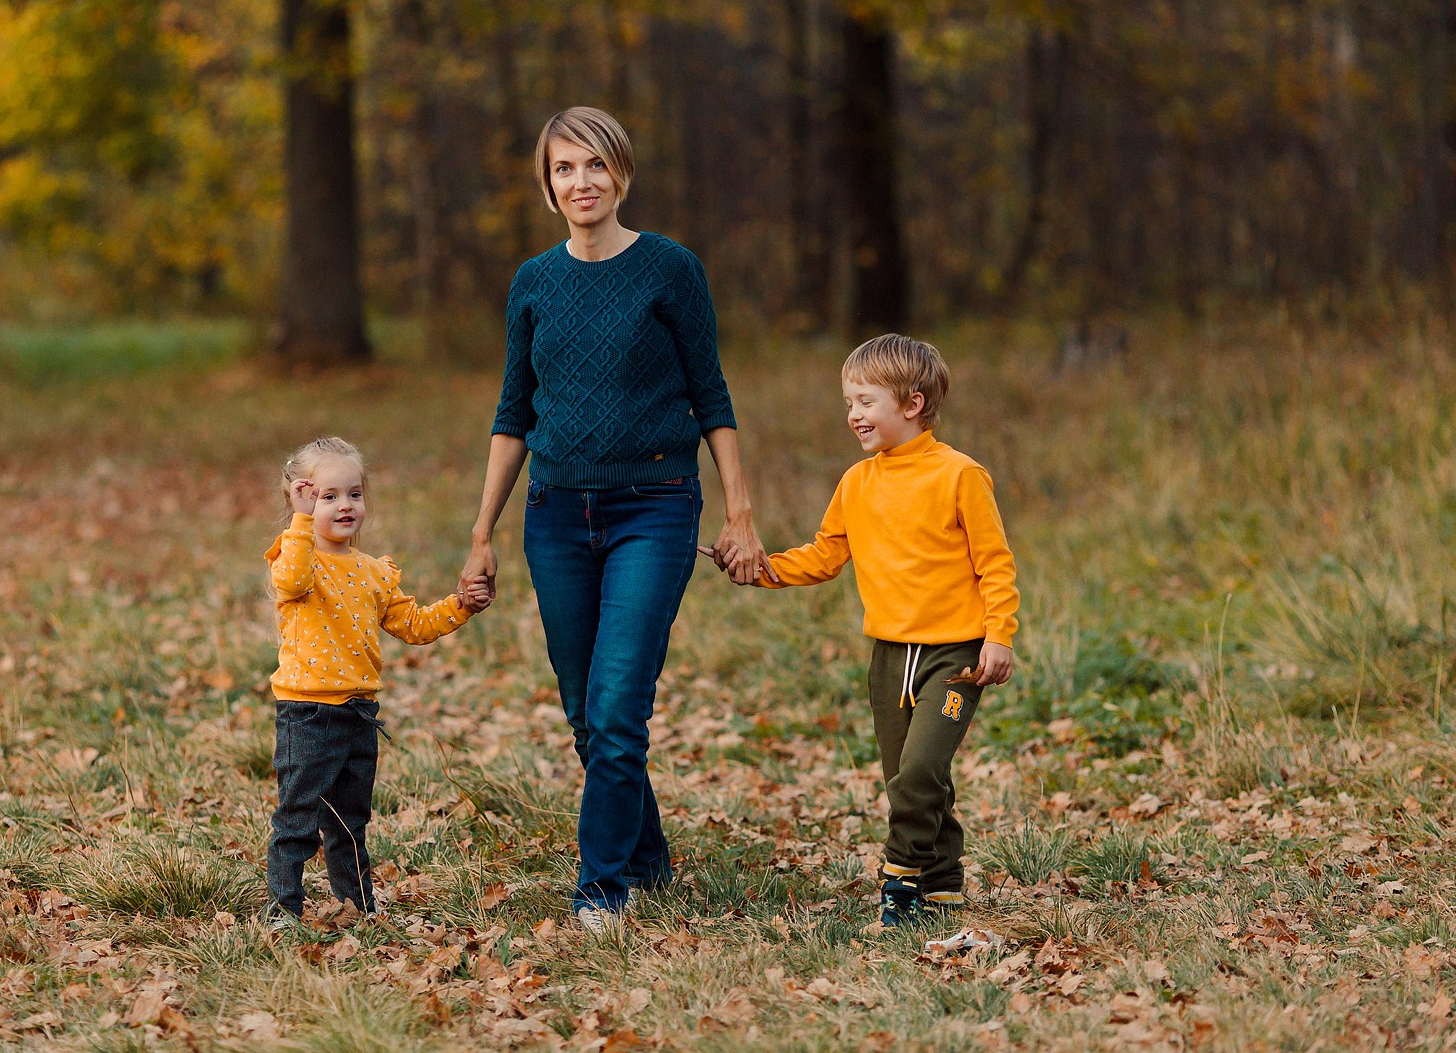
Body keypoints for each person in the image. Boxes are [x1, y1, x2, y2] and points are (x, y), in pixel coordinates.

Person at [460, 106, 774, 932]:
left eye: (595, 166)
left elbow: (712, 396)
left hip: (657, 506)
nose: (582, 182)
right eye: (565, 169)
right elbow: (512, 413)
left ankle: (601, 888)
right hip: (556, 515)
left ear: (621, 173)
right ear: (547, 184)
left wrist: (740, 512)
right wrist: (480, 534)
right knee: (583, 710)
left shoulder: (670, 270)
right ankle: (648, 857)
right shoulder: (533, 282)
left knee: (618, 702)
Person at [729, 334, 1019, 927]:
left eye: (864, 401)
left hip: (957, 655)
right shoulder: (856, 483)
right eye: (848, 402)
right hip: (889, 656)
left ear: (911, 404)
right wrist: (761, 571)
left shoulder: (961, 475)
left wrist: (999, 635)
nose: (853, 415)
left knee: (919, 770)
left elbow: (996, 563)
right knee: (908, 774)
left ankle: (900, 877)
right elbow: (824, 556)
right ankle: (943, 880)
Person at [263, 436, 491, 923]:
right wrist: (302, 520)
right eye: (328, 496)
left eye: (354, 493)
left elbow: (413, 625)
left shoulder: (373, 573)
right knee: (298, 817)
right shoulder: (296, 555)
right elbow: (291, 583)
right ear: (301, 498)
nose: (345, 505)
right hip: (306, 713)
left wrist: (462, 606)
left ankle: (358, 907)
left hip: (359, 714)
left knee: (349, 822)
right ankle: (284, 908)